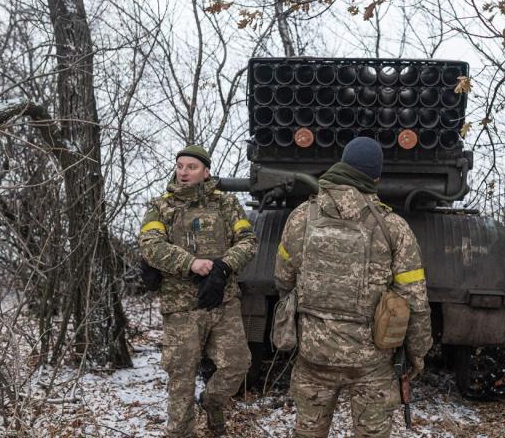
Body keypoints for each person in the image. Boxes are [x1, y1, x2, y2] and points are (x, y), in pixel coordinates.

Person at [275, 136, 432, 438]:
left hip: (313, 355)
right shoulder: (393, 227)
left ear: (342, 165)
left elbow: (283, 279)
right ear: (375, 177)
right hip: (371, 362)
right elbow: (414, 300)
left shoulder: (301, 218)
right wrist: (418, 354)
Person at [139, 145, 257, 438]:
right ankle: (179, 433)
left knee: (238, 364)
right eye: (180, 166)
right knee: (181, 378)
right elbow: (150, 245)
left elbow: (248, 241)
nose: (183, 172)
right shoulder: (160, 206)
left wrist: (223, 268)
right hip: (181, 308)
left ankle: (211, 402)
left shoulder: (226, 204)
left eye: (191, 167)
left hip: (223, 301)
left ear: (206, 172)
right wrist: (191, 263)